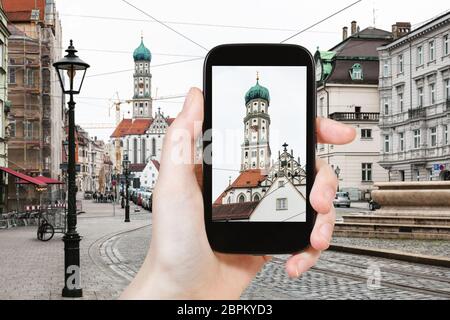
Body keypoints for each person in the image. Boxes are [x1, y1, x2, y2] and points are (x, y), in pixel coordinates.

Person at [120, 88, 356, 299]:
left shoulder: (273, 165)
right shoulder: (247, 169)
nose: (257, 112)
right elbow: (235, 195)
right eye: (254, 108)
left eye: (260, 108)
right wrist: (170, 285)